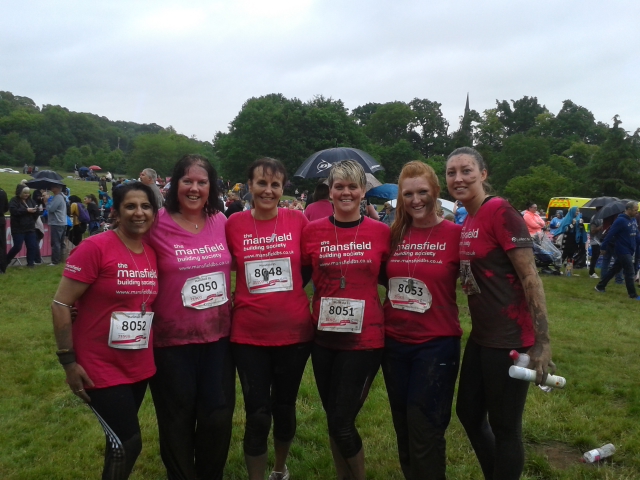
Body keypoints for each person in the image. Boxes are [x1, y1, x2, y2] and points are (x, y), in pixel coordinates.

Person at [445, 147, 554, 480]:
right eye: (451, 172)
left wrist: (542, 342)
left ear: (483, 174)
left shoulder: (500, 211)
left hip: (510, 337)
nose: (458, 178)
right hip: (482, 336)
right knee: (468, 412)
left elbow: (530, 276)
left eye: (466, 170)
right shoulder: (469, 217)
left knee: (505, 427)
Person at [51, 182, 159, 479]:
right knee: (128, 443)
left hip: (138, 364)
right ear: (116, 211)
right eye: (130, 206)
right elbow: (60, 303)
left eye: (145, 206)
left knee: (118, 442)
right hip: (99, 366)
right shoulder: (95, 247)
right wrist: (68, 361)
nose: (139, 213)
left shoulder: (151, 252)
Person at [143, 154, 235, 480]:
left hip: (218, 338)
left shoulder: (221, 222)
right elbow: (122, 255)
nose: (194, 188)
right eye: (188, 181)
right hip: (171, 341)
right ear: (174, 184)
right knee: (176, 417)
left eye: (202, 182)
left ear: (212, 186)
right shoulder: (155, 224)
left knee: (218, 415)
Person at [301, 160, 391, 480]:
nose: (346, 192)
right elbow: (299, 280)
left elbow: (390, 278)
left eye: (353, 186)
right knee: (333, 420)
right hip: (324, 339)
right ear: (330, 191)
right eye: (339, 186)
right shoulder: (312, 231)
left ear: (363, 190)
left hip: (364, 341)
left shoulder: (381, 232)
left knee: (341, 422)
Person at [226, 157, 313, 480]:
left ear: (282, 188)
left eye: (275, 184)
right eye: (261, 183)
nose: (268, 190)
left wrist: (283, 295)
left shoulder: (298, 221)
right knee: (257, 413)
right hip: (248, 335)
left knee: (285, 407)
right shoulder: (233, 223)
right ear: (249, 186)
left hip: (294, 332)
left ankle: (279, 469)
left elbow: (306, 266)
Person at [382, 161, 462, 479]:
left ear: (436, 193)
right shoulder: (393, 236)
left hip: (436, 344)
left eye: (423, 192)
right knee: (402, 423)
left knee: (424, 424)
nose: (416, 200)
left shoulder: (456, 235)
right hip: (394, 343)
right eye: (409, 194)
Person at [595, 201, 640, 300]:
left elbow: (636, 233)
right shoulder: (620, 221)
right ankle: (633, 295)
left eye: (637, 210)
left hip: (630, 249)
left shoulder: (633, 220)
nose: (637, 212)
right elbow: (610, 234)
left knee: (614, 269)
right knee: (630, 271)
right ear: (628, 210)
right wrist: (603, 247)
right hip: (622, 250)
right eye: (635, 210)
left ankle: (600, 286)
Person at [6, 185, 40, 268]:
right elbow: (13, 211)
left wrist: (36, 211)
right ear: (20, 193)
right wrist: (26, 210)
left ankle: (30, 264)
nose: (26, 195)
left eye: (28, 193)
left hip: (30, 228)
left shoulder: (31, 201)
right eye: (24, 193)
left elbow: (37, 212)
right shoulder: (14, 201)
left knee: (32, 246)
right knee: (17, 247)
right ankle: (5, 261)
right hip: (18, 228)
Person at [48, 183, 68, 266]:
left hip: (57, 222)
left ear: (57, 188)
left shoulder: (57, 197)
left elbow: (51, 209)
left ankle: (55, 261)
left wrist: (46, 201)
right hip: (62, 222)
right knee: (61, 242)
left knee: (55, 242)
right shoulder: (62, 197)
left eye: (53, 187)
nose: (51, 188)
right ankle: (62, 259)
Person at [588, 206, 604, 278]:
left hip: (600, 239)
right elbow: (592, 230)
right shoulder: (594, 218)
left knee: (597, 256)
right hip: (594, 240)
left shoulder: (602, 217)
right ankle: (591, 272)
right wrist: (601, 227)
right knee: (595, 256)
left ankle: (593, 271)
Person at [0, 185, 8, 273]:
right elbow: (6, 207)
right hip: (1, 219)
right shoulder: (3, 192)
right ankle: (2, 267)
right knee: (2, 244)